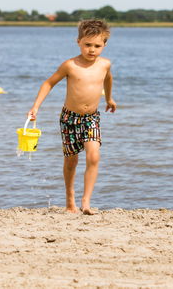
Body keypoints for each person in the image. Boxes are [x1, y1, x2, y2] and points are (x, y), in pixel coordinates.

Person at [27, 19, 116, 215]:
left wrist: (109, 99)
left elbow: (108, 79)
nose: (91, 50)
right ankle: (70, 201)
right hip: (70, 119)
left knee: (94, 156)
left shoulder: (105, 64)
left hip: (92, 117)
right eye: (87, 45)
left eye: (97, 46)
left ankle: (86, 202)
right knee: (71, 161)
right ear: (78, 42)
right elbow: (48, 83)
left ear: (105, 44)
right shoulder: (70, 65)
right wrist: (35, 107)